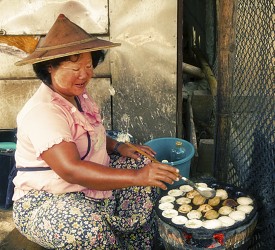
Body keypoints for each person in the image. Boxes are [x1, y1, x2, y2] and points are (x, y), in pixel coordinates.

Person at [12, 14, 179, 249]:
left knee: (141, 165)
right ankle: (105, 238)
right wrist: (137, 177)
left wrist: (120, 147)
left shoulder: (76, 96)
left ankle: (135, 242)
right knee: (87, 229)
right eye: (75, 68)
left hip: (86, 188)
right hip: (49, 199)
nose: (84, 75)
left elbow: (91, 135)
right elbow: (71, 170)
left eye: (89, 66)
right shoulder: (44, 112)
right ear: (49, 67)